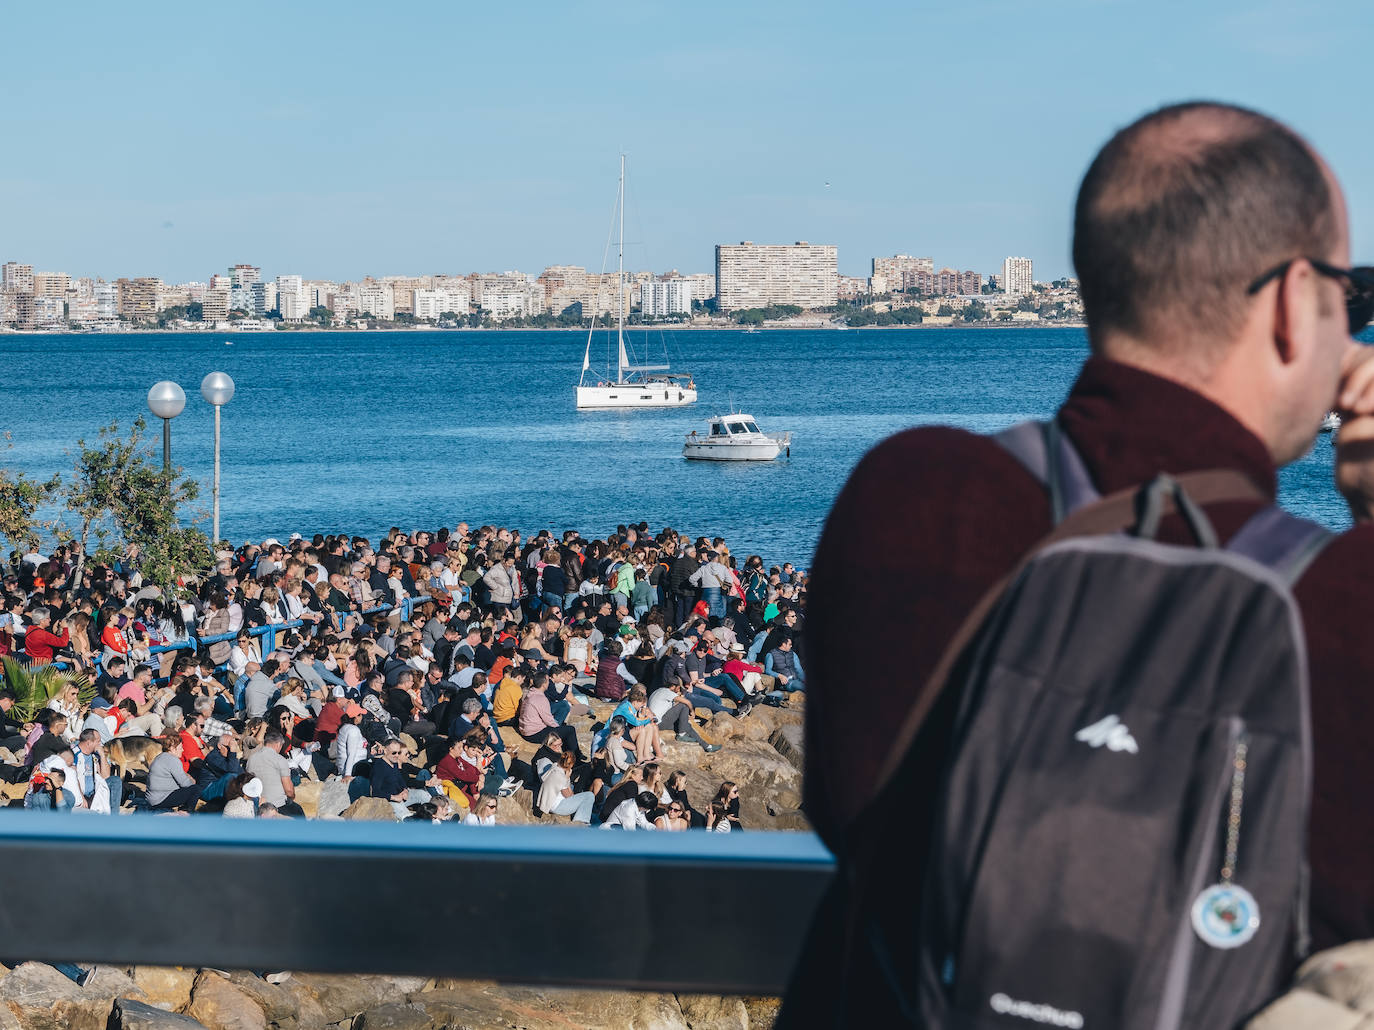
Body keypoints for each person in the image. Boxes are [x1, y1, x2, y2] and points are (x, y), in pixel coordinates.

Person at [782, 102, 1374, 1026]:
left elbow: (850, 813)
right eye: (1354, 293)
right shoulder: (1346, 600)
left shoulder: (914, 497)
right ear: (1297, 303)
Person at [245, 729, 301, 817]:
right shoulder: (280, 759)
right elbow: (289, 791)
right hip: (277, 806)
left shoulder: (251, 759)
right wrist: (292, 798)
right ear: (278, 744)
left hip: (257, 805)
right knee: (298, 812)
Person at [537, 749, 594, 824]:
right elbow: (568, 795)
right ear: (571, 765)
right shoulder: (561, 777)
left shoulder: (554, 767)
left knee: (577, 792)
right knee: (589, 795)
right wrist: (567, 779)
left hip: (549, 801)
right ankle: (581, 822)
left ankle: (580, 815)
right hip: (557, 806)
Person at [146, 734, 200, 812]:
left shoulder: (160, 757)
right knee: (195, 789)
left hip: (152, 798)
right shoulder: (173, 760)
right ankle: (186, 813)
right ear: (172, 749)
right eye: (180, 748)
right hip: (160, 800)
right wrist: (192, 781)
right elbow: (185, 784)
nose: (182, 750)